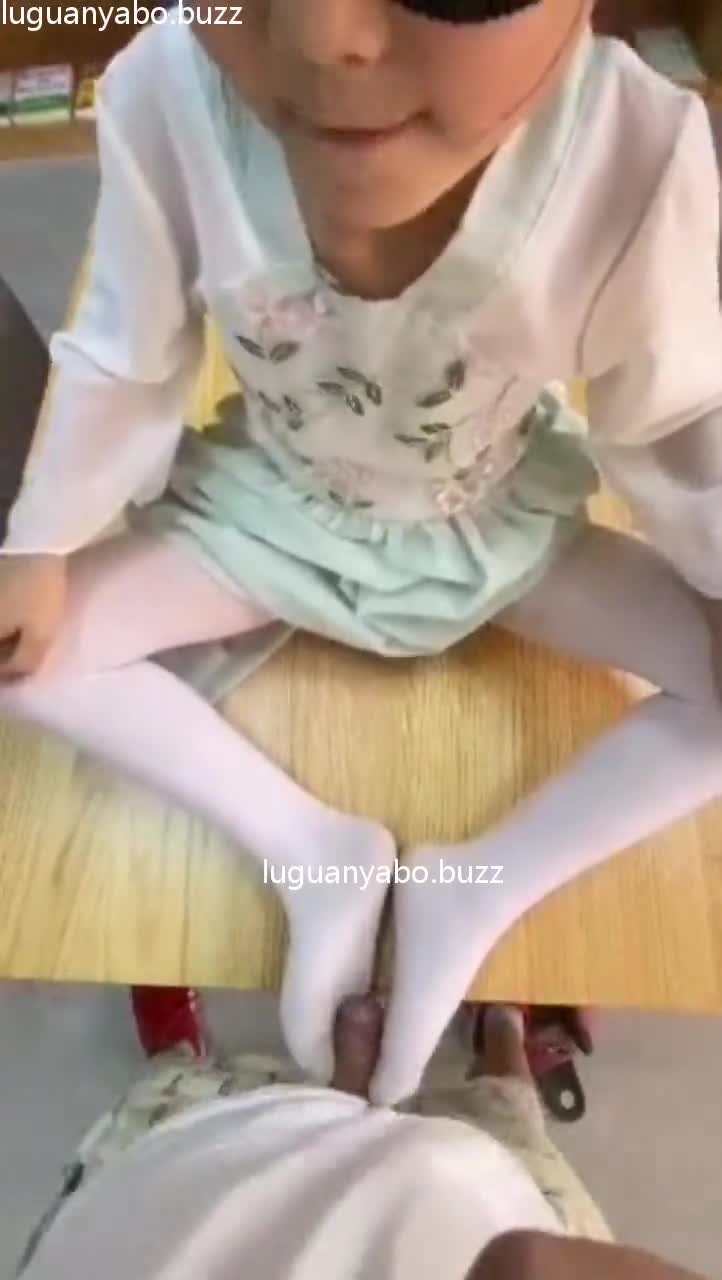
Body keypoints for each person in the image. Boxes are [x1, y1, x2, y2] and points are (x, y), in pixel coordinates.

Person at [1, 0, 722, 1105]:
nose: (320, 37)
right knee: (19, 658)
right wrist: (41, 541)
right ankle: (310, 847)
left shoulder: (633, 151)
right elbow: (124, 352)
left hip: (493, 527)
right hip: (270, 513)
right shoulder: (167, 86)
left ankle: (478, 885)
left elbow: (680, 417)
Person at [16, 998, 705, 1279]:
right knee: (509, 1123)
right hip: (474, 1209)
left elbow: (527, 1264)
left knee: (187, 1124)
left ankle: (326, 1083)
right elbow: (527, 1259)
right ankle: (502, 1030)